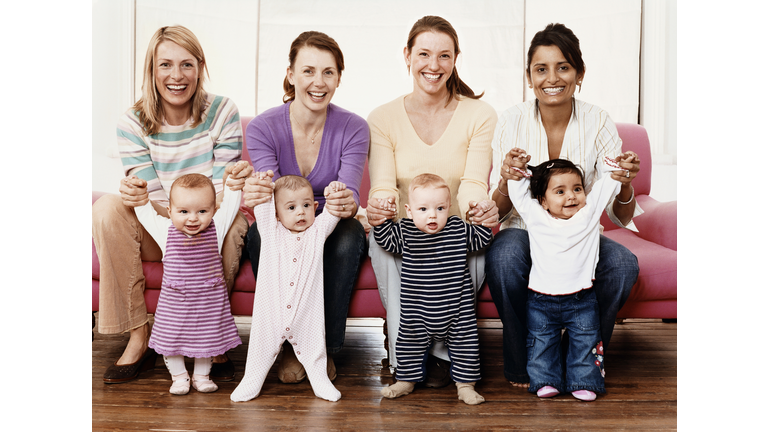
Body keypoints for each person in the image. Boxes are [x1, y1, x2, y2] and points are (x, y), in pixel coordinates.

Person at [485, 23, 643, 388]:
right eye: (541, 69)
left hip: (579, 236)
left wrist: (625, 183)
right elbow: (501, 210)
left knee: (622, 265)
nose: (552, 78)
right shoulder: (511, 120)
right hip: (525, 232)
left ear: (579, 74)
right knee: (504, 257)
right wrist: (507, 178)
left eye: (563, 67)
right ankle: (521, 362)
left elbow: (620, 215)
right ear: (529, 77)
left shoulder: (598, 121)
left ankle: (581, 353)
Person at [93, 25, 250, 383]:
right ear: (151, 70)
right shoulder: (132, 123)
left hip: (209, 221)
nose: (176, 76)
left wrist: (202, 212)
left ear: (200, 67)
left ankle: (210, 340)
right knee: (105, 209)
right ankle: (138, 336)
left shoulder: (223, 112)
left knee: (235, 224)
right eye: (165, 65)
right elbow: (154, 200)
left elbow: (221, 193)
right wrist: (140, 198)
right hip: (161, 224)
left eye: (186, 65)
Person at [366, 15, 499, 388]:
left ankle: (443, 353)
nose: (433, 65)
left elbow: (473, 182)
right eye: (423, 54)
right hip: (408, 226)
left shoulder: (480, 114)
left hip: (454, 225)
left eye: (444, 56)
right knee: (381, 244)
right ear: (407, 56)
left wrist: (477, 209)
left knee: (472, 242)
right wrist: (380, 208)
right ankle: (402, 348)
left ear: (456, 58)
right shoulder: (382, 117)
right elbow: (384, 185)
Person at [241, 31, 369, 385]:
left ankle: (322, 349)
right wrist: (257, 190)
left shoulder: (354, 127)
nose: (318, 82)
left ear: (339, 78)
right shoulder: (264, 126)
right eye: (308, 71)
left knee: (349, 235)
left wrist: (345, 202)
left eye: (329, 72)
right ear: (291, 74)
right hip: (284, 221)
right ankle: (283, 345)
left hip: (330, 220)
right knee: (258, 235)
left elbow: (352, 194)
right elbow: (273, 196)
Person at [505, 151, 637, 401]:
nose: (571, 196)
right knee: (542, 343)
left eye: (577, 189)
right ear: (542, 201)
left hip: (582, 299)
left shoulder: (588, 215)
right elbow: (518, 192)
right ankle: (545, 380)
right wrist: (519, 170)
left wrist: (618, 168)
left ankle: (584, 382)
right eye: (560, 191)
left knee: (586, 343)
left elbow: (606, 185)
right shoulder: (535, 216)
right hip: (541, 301)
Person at [371, 174, 492, 405]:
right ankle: (406, 381)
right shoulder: (405, 231)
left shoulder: (457, 228)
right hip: (417, 311)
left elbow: (482, 240)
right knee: (408, 343)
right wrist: (383, 220)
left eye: (439, 208)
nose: (432, 215)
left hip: (457, 310)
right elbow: (386, 241)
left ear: (449, 207)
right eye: (423, 209)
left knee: (466, 345)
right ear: (409, 210)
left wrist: (481, 217)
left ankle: (466, 385)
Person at [132, 163, 251, 395]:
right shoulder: (164, 229)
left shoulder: (217, 228)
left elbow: (230, 205)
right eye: (184, 211)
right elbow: (144, 211)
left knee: (208, 339)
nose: (193, 219)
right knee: (171, 339)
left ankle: (201, 376)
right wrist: (139, 193)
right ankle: (178, 377)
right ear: (169, 210)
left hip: (207, 302)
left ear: (213, 211)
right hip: (175, 303)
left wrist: (234, 185)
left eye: (202, 211)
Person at [232, 173, 344, 402]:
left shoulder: (317, 233)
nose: (300, 212)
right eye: (291, 207)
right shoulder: (271, 232)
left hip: (306, 314)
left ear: (314, 207)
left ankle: (319, 380)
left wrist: (333, 193)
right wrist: (263, 184)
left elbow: (332, 213)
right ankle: (251, 379)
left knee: (315, 349)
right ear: (277, 213)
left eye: (305, 205)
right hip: (271, 313)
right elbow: (262, 206)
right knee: (260, 349)